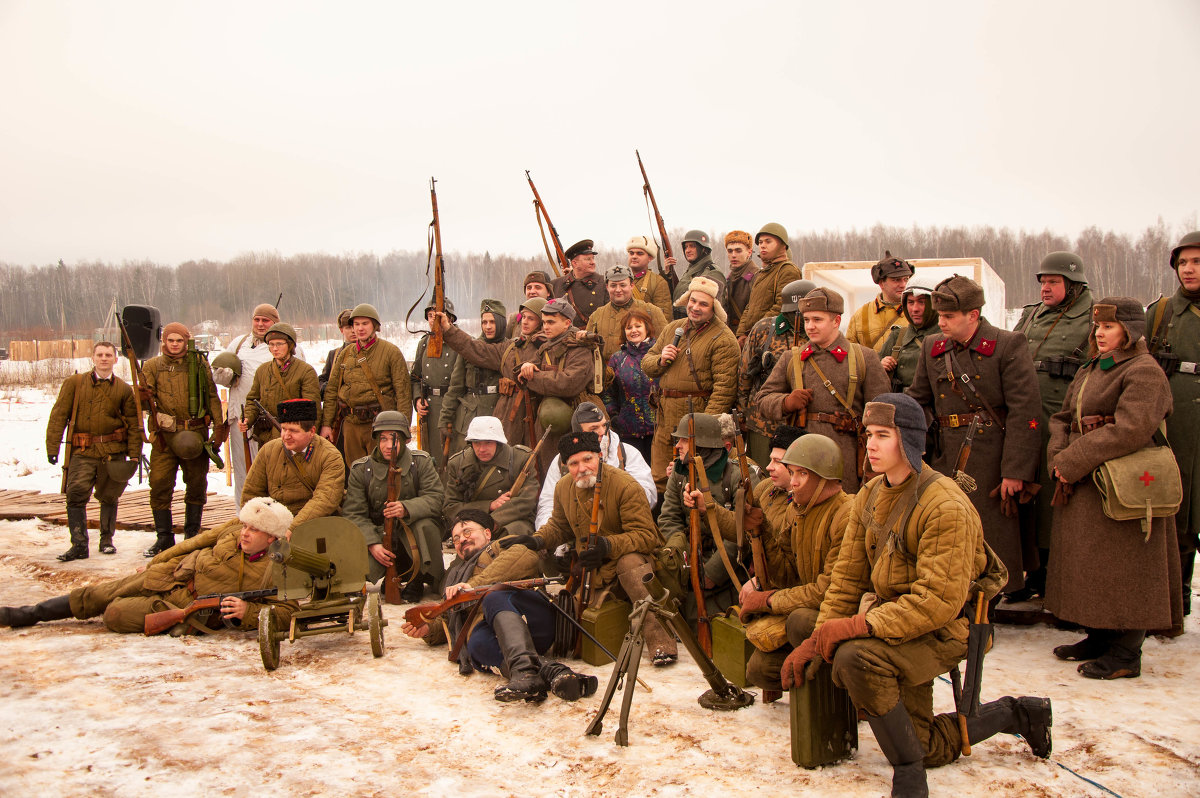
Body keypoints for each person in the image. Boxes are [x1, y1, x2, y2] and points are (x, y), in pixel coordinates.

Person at [787, 394, 1051, 798]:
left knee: (856, 659)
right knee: (810, 626)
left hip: (945, 628)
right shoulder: (871, 495)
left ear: (908, 440)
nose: (871, 445)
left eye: (883, 435)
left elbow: (936, 602)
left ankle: (916, 762)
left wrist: (857, 626)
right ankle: (893, 720)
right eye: (868, 434)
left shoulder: (944, 505)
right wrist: (816, 637)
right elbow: (847, 580)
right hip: (896, 623)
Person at [1046, 298, 1182, 678]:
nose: (1099, 333)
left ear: (1130, 330)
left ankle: (1125, 653)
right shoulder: (1092, 367)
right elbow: (1062, 416)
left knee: (1127, 567)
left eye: (1109, 326)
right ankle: (1100, 635)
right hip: (1088, 478)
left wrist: (1072, 460)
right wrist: (1058, 454)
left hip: (1125, 483)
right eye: (1097, 326)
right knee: (1093, 565)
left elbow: (1131, 429)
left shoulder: (1144, 371)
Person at [904, 275, 1042, 596]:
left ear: (973, 315)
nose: (942, 323)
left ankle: (991, 598)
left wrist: (1015, 471)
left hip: (992, 455)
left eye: (950, 317)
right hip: (945, 454)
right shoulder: (932, 347)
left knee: (991, 531)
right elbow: (918, 399)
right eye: (940, 316)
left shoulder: (1008, 345)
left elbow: (1026, 413)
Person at [0, 496, 299, 635]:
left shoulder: (279, 569)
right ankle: (29, 614)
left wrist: (250, 613)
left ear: (272, 538)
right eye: (245, 525)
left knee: (115, 614)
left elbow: (290, 612)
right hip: (170, 575)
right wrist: (158, 561)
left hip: (188, 604)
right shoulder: (232, 531)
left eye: (254, 530)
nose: (244, 533)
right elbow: (191, 544)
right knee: (99, 594)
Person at [401, 510, 597, 703]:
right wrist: (429, 628)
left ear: (487, 533)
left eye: (467, 532)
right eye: (456, 538)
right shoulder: (454, 575)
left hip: (533, 618)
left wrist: (473, 586)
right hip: (498, 637)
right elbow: (450, 618)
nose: (461, 540)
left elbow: (526, 556)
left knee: (493, 595)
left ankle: (526, 671)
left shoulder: (503, 545)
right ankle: (549, 673)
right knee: (477, 645)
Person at [515, 431, 677, 665]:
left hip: (632, 567)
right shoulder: (563, 488)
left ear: (600, 456)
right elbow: (559, 527)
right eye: (574, 463)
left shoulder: (625, 485)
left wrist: (607, 545)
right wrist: (537, 540)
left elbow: (647, 536)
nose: (582, 468)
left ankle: (661, 641)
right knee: (582, 624)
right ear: (565, 466)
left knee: (629, 562)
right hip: (595, 572)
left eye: (587, 459)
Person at [730, 433, 851, 696]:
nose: (793, 483)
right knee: (759, 670)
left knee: (799, 622)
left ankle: (838, 697)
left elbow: (825, 591)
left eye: (802, 475)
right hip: (808, 612)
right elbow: (786, 572)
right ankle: (819, 691)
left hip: (839, 617)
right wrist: (760, 532)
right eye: (792, 473)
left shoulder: (846, 515)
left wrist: (768, 600)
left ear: (824, 477)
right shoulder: (800, 510)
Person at [1012, 252, 1094, 600]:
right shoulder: (1031, 315)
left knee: (1054, 498)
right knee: (1023, 493)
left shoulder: (1092, 317)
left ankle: (1053, 578)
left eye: (1054, 282)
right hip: (1026, 415)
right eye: (1043, 281)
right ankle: (1029, 573)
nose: (1046, 287)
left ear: (1072, 285)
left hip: (1063, 418)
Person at [755, 287, 890, 493]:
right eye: (807, 320)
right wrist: (785, 402)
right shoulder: (792, 359)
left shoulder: (864, 358)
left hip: (846, 457)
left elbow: (882, 413)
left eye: (817, 320)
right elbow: (762, 400)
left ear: (836, 321)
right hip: (801, 456)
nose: (810, 326)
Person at [642, 276, 740, 492]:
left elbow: (724, 391)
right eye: (692, 301)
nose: (695, 307)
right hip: (665, 415)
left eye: (703, 304)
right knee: (659, 477)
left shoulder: (723, 339)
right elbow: (647, 363)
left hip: (695, 419)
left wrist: (704, 430)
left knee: (690, 479)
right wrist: (660, 360)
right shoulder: (673, 328)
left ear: (713, 308)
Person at [45, 341, 142, 560]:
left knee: (110, 496)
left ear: (116, 359)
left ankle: (107, 540)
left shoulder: (124, 390)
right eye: (100, 354)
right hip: (83, 451)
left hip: (113, 451)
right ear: (93, 358)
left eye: (109, 355)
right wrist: (52, 447)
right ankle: (79, 544)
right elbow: (59, 415)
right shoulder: (75, 383)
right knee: (76, 495)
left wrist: (134, 454)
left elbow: (134, 425)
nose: (104, 358)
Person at [1145, 230, 1200, 616]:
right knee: (1174, 509)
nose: (1189, 269)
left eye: (1196, 261)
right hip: (1174, 423)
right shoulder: (1161, 312)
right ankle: (1174, 598)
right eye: (1183, 262)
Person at [662, 413, 761, 619]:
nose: (677, 445)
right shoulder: (679, 473)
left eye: (683, 440)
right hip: (688, 557)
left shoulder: (740, 476)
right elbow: (668, 519)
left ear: (702, 446)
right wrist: (682, 560)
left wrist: (713, 573)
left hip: (727, 565)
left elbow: (743, 531)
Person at [142, 322, 228, 557]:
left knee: (197, 483)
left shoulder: (198, 363)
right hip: (165, 437)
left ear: (186, 341)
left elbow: (211, 394)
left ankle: (191, 533)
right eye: (170, 340)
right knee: (159, 483)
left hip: (195, 433)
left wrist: (219, 428)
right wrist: (141, 395)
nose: (174, 344)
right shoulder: (152, 366)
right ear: (164, 342)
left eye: (179, 340)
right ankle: (164, 536)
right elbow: (142, 401)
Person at [341, 411, 445, 600]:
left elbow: (436, 498)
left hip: (414, 537)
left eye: (394, 438)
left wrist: (406, 508)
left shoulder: (420, 462)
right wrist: (371, 543)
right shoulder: (361, 469)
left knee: (426, 525)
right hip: (380, 534)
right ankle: (391, 577)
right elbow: (354, 514)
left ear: (405, 440)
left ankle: (418, 578)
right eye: (383, 439)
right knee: (354, 573)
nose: (389, 446)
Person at [212, 303, 307, 507]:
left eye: (266, 320)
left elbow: (300, 380)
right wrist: (224, 374)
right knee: (243, 471)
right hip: (243, 417)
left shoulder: (288, 346)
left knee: (276, 472)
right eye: (257, 319)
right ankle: (244, 516)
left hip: (277, 422)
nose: (261, 324)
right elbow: (221, 374)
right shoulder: (239, 344)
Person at [435, 297, 546, 448]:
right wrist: (448, 329)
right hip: (484, 415)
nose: (525, 322)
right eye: (523, 317)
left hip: (526, 415)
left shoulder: (540, 347)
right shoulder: (509, 348)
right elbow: (471, 352)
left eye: (531, 318)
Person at [534, 402, 656, 529]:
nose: (603, 432)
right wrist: (551, 537)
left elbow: (648, 495)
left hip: (621, 530)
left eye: (604, 425)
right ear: (579, 433)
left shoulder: (626, 453)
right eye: (594, 429)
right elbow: (548, 504)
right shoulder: (562, 461)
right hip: (576, 532)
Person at [319, 303, 412, 466]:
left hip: (380, 425)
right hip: (350, 425)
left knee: (381, 471)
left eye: (365, 323)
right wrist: (327, 424)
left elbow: (403, 393)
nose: (360, 328)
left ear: (375, 326)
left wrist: (403, 427)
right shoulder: (344, 355)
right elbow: (332, 390)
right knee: (355, 471)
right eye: (356, 324)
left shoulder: (391, 352)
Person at [517, 298, 602, 473]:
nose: (545, 327)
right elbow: (520, 373)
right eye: (544, 322)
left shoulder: (579, 348)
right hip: (550, 419)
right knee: (550, 470)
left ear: (567, 323)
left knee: (582, 468)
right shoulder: (545, 347)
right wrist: (528, 367)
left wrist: (534, 377)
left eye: (551, 322)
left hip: (580, 416)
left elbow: (568, 383)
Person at [739, 279, 814, 466]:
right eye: (793, 312)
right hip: (763, 422)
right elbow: (744, 375)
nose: (798, 317)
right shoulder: (764, 330)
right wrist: (741, 414)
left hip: (806, 422)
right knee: (764, 478)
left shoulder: (817, 334)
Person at [241, 399, 346, 531]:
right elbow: (251, 493)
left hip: (311, 524)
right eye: (284, 429)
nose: (286, 436)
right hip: (271, 522)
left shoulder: (330, 456)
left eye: (294, 431)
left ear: (312, 431)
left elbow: (325, 500)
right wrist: (252, 523)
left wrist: (292, 527)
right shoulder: (269, 450)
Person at [444, 416, 538, 539]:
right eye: (477, 443)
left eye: (488, 442)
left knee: (511, 539)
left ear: (498, 442)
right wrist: (489, 506)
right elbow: (451, 508)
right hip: (473, 525)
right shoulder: (457, 464)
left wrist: (493, 521)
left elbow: (527, 501)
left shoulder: (520, 459)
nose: (482, 449)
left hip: (511, 521)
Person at [440, 299, 506, 454]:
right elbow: (455, 388)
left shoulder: (510, 348)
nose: (488, 327)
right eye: (484, 322)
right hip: (469, 418)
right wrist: (445, 418)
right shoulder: (469, 348)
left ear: (501, 322)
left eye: (492, 322)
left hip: (497, 414)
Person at [241, 323, 321, 446]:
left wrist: (307, 438)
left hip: (293, 437)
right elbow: (253, 400)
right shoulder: (262, 370)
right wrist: (247, 418)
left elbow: (312, 409)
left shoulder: (305, 371)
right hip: (266, 437)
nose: (275, 348)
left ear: (290, 345)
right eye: (271, 344)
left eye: (279, 344)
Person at [584, 264, 668, 371]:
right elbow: (587, 349)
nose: (618, 290)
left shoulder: (651, 311)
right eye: (613, 285)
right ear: (607, 287)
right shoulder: (597, 315)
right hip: (606, 377)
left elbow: (665, 344)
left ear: (632, 285)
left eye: (623, 285)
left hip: (642, 375)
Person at [602, 309, 658, 464]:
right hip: (628, 431)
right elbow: (608, 393)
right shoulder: (617, 359)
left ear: (647, 328)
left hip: (658, 430)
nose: (633, 330)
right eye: (629, 327)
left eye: (638, 326)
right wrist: (615, 417)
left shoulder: (658, 354)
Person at [412, 298, 461, 470]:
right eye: (430, 315)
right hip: (430, 409)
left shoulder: (459, 342)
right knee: (430, 456)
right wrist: (418, 399)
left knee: (451, 457)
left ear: (450, 318)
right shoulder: (424, 343)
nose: (434, 319)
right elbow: (415, 377)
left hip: (452, 407)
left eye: (438, 315)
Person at [735, 223, 801, 341]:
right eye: (760, 242)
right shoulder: (762, 273)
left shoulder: (787, 270)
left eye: (768, 241)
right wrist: (741, 334)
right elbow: (750, 307)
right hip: (755, 339)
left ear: (782, 245)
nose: (762, 246)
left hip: (774, 339)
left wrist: (756, 331)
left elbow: (782, 307)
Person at [845, 252, 914, 352]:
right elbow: (850, 353)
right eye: (896, 280)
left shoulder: (916, 312)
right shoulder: (861, 315)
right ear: (882, 283)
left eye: (906, 279)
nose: (903, 284)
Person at [878, 285, 939, 393]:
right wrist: (882, 365)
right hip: (902, 403)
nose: (915, 309)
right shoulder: (898, 336)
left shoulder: (947, 337)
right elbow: (874, 375)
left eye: (922, 302)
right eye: (910, 302)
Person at [551, 239, 608, 327]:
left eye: (593, 258)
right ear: (574, 263)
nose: (593, 262)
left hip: (594, 339)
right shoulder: (556, 285)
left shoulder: (604, 283)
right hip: (565, 339)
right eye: (588, 259)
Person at [669, 230, 725, 317]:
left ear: (703, 249)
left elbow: (711, 309)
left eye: (692, 246)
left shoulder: (712, 272)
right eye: (686, 247)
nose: (687, 250)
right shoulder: (691, 271)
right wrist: (668, 273)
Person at [625, 235, 674, 320]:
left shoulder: (658, 282)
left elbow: (664, 318)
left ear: (650, 258)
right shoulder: (622, 280)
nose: (634, 256)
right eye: (631, 253)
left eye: (640, 253)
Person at [718, 230, 758, 335]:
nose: (733, 255)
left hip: (747, 335)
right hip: (731, 334)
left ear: (749, 252)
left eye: (738, 251)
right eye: (730, 251)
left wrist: (744, 334)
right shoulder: (729, 278)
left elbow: (756, 312)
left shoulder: (757, 276)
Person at [318, 309, 354, 400]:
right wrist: (324, 387)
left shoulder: (370, 352)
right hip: (340, 408)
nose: (353, 331)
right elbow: (322, 379)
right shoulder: (334, 354)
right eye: (348, 327)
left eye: (355, 326)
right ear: (341, 330)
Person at [507, 272, 553, 338]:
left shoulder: (557, 318)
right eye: (529, 288)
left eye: (538, 287)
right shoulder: (515, 318)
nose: (532, 291)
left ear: (548, 292)